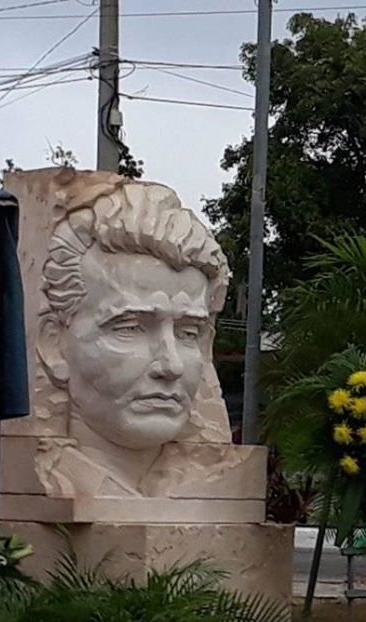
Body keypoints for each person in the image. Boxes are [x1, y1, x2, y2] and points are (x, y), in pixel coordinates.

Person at [37, 179, 229, 497]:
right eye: (129, 328)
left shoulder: (219, 489)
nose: (171, 365)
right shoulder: (44, 486)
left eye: (188, 333)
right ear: (54, 345)